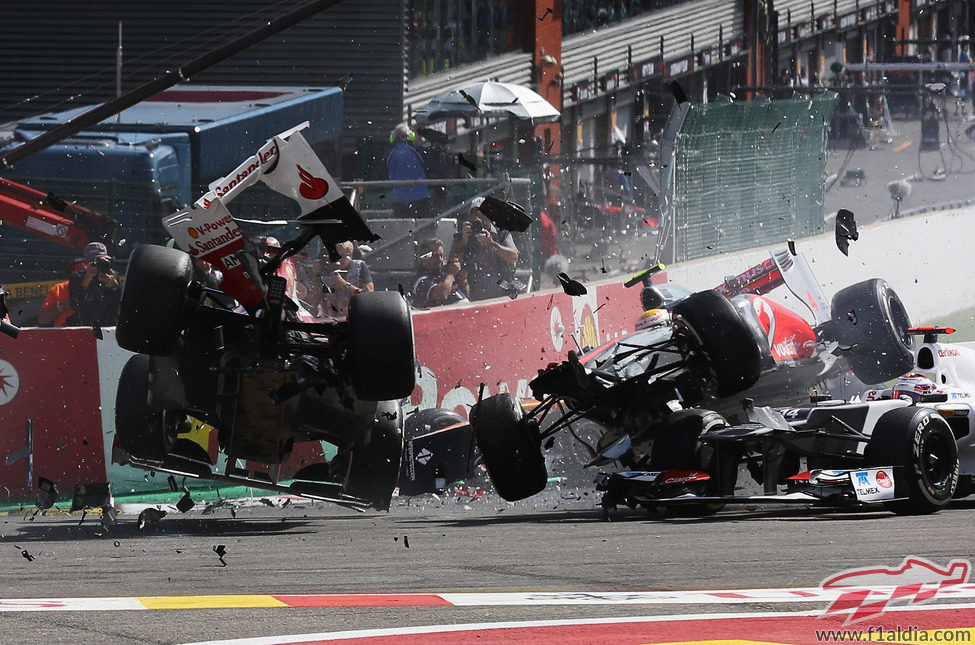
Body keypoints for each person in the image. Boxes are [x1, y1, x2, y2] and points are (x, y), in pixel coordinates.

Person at [449, 197, 519, 301]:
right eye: (475, 214)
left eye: (483, 213)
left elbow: (514, 257)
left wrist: (492, 244)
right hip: (471, 293)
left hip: (501, 292)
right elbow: (450, 263)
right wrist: (463, 242)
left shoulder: (501, 234)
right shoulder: (462, 236)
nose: (479, 217)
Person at [68, 241, 121, 327]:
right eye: (94, 263)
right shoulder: (77, 277)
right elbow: (75, 303)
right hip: (86, 324)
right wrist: (87, 279)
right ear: (86, 263)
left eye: (102, 261)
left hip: (110, 324)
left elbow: (120, 303)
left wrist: (114, 285)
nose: (98, 265)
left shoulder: (113, 275)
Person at [385, 123, 431, 219]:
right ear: (410, 136)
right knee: (424, 229)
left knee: (402, 231)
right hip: (421, 198)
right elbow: (433, 167)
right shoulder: (418, 151)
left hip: (399, 200)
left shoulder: (390, 155)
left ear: (393, 137)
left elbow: (382, 175)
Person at [409, 237, 469, 308]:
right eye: (435, 256)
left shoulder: (444, 273)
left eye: (441, 256)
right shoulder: (420, 280)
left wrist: (463, 281)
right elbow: (442, 295)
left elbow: (466, 295)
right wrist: (450, 274)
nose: (440, 260)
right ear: (424, 259)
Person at [322, 240, 374, 318]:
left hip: (357, 316)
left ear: (350, 256)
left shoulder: (359, 267)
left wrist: (344, 284)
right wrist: (314, 275)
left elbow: (367, 295)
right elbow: (311, 302)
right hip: (331, 319)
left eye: (342, 256)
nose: (338, 261)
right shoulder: (326, 269)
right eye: (335, 257)